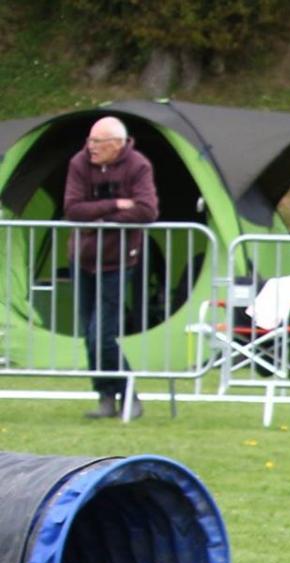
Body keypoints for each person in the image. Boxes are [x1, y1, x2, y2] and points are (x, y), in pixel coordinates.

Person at [63, 116, 158, 420]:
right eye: (90, 141)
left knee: (101, 334)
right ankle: (106, 396)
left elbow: (146, 209)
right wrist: (116, 206)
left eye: (97, 143)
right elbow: (73, 210)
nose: (90, 148)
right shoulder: (79, 163)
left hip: (119, 261)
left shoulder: (138, 165)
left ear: (117, 144)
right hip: (83, 258)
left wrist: (102, 224)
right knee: (89, 332)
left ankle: (130, 395)